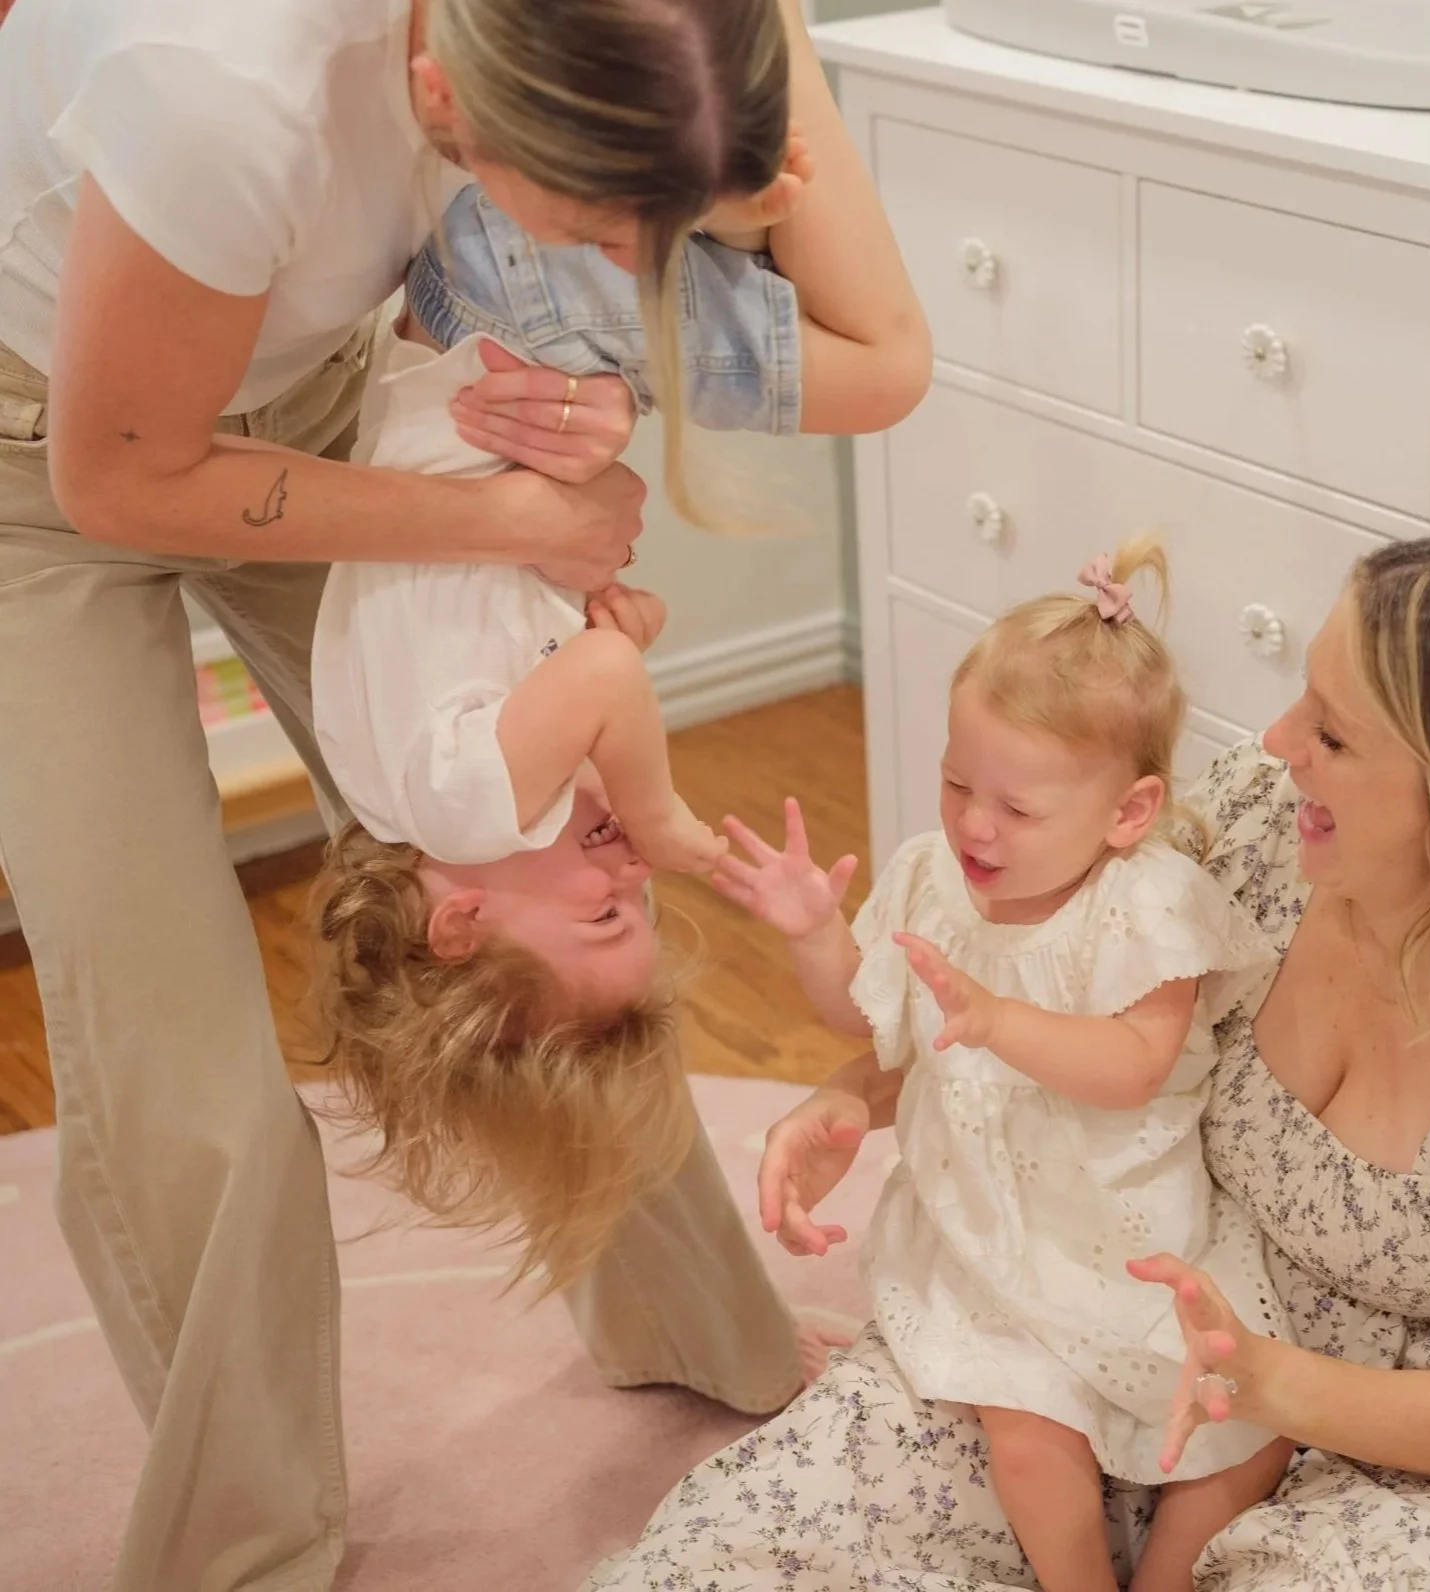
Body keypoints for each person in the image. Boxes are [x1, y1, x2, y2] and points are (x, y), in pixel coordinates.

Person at [0, 0, 927, 1587]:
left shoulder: (677, 27)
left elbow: (871, 354)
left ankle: (701, 1330)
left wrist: (605, 407)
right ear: (444, 100)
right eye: (588, 227)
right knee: (189, 1085)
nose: (619, 272)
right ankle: (250, 1550)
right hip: (41, 466)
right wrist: (513, 527)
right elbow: (120, 475)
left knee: (569, 898)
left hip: (316, 410)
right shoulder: (225, 83)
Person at [584, 534, 1430, 1592]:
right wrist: (852, 1092)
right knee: (736, 1550)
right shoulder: (1261, 824)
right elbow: (1038, 996)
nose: (1274, 737)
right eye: (1301, 696)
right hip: (1111, 1313)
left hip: (1412, 1465)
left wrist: (1270, 1383)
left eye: (1331, 732)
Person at [311, 124, 928, 1293]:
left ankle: (759, 81)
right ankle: (706, 143)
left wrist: (659, 814)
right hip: (472, 298)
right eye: (639, 902)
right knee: (750, 220)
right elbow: (497, 625)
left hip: (523, 314)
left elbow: (598, 688)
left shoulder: (471, 803)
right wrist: (599, 624)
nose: (631, 881)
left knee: (883, 369)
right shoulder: (384, 784)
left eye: (603, 918)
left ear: (458, 927)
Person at [706, 544, 1292, 1591]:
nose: (973, 822)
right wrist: (810, 933)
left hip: (1127, 1230)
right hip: (987, 1229)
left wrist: (995, 1016)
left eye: (1015, 808)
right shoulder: (931, 875)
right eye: (953, 781)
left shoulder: (1144, 902)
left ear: (1126, 811)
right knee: (1027, 1431)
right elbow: (868, 1015)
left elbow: (1131, 1065)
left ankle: (1165, 1575)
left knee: (1247, 1431)